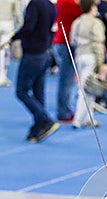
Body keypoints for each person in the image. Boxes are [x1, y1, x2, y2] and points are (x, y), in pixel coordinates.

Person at [1, 0, 60, 142]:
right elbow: (53, 29)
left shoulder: (35, 4)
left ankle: (45, 120)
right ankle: (37, 128)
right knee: (39, 94)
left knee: (21, 91)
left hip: (32, 54)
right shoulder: (51, 6)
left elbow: (28, 27)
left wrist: (12, 38)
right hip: (44, 53)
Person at [70, 0, 107, 128]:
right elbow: (98, 44)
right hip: (91, 56)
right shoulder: (96, 23)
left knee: (90, 88)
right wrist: (100, 62)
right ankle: (77, 120)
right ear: (92, 7)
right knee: (84, 90)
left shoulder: (77, 21)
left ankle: (89, 118)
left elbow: (72, 40)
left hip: (79, 56)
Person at [52, 0, 82, 122]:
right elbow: (84, 12)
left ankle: (65, 109)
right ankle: (63, 112)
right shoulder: (68, 3)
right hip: (66, 43)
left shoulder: (62, 2)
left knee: (67, 80)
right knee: (66, 80)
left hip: (62, 42)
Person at [0, 0, 23, 86]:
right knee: (5, 50)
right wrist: (21, 26)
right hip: (8, 25)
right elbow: (18, 13)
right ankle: (2, 76)